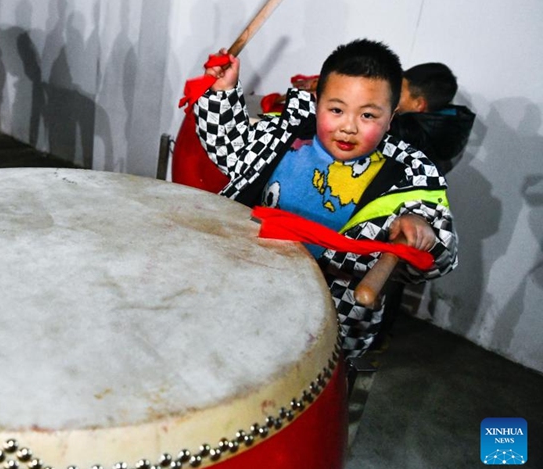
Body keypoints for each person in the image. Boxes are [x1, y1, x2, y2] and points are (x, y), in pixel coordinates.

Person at [193, 39, 458, 358]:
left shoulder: (408, 173)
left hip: (328, 317)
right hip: (244, 284)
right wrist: (223, 91)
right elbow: (230, 146)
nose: (348, 127)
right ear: (317, 102)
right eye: (336, 110)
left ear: (391, 117)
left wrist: (424, 233)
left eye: (368, 116)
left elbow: (439, 258)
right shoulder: (287, 134)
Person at [390, 62, 476, 174]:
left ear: (419, 104)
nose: (392, 94)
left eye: (400, 92)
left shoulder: (406, 135)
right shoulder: (447, 127)